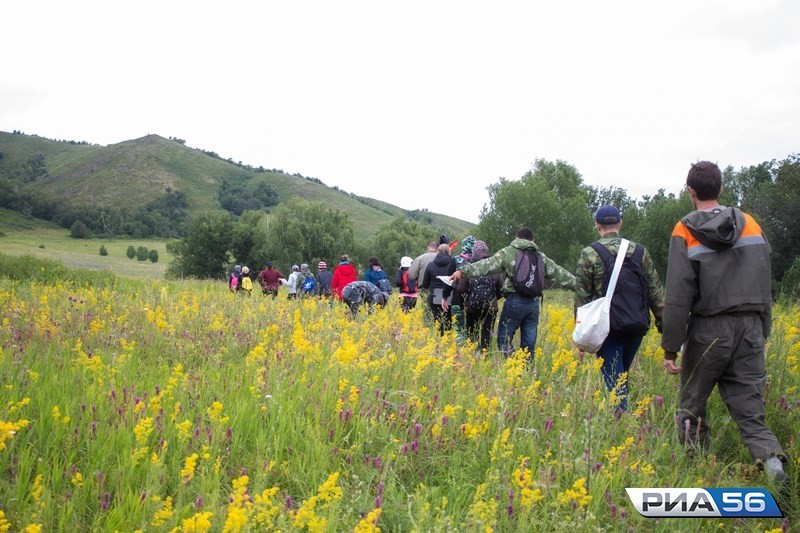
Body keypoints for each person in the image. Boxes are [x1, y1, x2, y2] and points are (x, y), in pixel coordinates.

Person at [660, 161, 787, 480]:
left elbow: (677, 294)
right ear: (720, 188)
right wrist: (763, 330)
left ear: (690, 190)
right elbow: (764, 279)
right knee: (750, 410)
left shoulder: (684, 229)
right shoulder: (751, 224)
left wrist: (670, 349)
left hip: (708, 330)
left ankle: (695, 474)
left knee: (691, 404)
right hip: (750, 328)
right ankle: (773, 466)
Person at [575, 205, 664, 413]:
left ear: (597, 225)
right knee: (620, 377)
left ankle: (621, 427)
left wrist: (579, 331)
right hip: (636, 325)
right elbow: (656, 292)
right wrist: (664, 328)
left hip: (607, 329)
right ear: (620, 223)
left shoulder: (589, 253)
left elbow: (582, 297)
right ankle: (623, 421)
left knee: (615, 383)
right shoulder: (640, 252)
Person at [451, 226, 576, 360]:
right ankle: (526, 370)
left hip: (514, 302)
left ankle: (515, 364)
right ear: (533, 240)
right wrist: (582, 286)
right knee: (529, 345)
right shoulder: (540, 256)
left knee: (503, 340)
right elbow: (560, 274)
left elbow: (485, 265)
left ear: (516, 238)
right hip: (534, 305)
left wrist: (462, 272)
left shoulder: (509, 252)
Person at [457, 240, 503, 354]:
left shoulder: (468, 267)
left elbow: (460, 289)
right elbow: (501, 289)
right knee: (487, 331)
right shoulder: (494, 267)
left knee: (472, 331)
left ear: (474, 252)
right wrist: (492, 299)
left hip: (472, 307)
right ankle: (484, 354)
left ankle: (473, 353)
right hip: (490, 307)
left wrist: (467, 300)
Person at [421, 244, 456, 335]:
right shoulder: (453, 264)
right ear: (449, 252)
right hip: (449, 295)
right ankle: (448, 341)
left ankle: (439, 343)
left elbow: (425, 284)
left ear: (438, 252)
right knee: (449, 321)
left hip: (434, 296)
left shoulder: (430, 265)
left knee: (437, 322)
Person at [452, 236, 475, 344]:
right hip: (473, 295)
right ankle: (471, 342)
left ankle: (460, 344)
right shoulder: (478, 260)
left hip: (457, 295)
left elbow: (450, 278)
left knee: (458, 321)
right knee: (472, 322)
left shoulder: (456, 259)